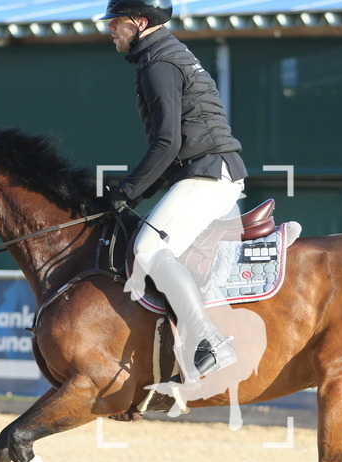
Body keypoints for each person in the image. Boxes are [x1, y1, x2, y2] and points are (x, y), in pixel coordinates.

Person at [99, 0, 248, 381]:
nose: (110, 29)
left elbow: (166, 143)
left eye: (116, 22)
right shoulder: (163, 55)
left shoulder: (159, 65)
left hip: (208, 174)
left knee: (148, 248)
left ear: (140, 22)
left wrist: (127, 191)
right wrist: (133, 192)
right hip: (202, 171)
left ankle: (209, 341)